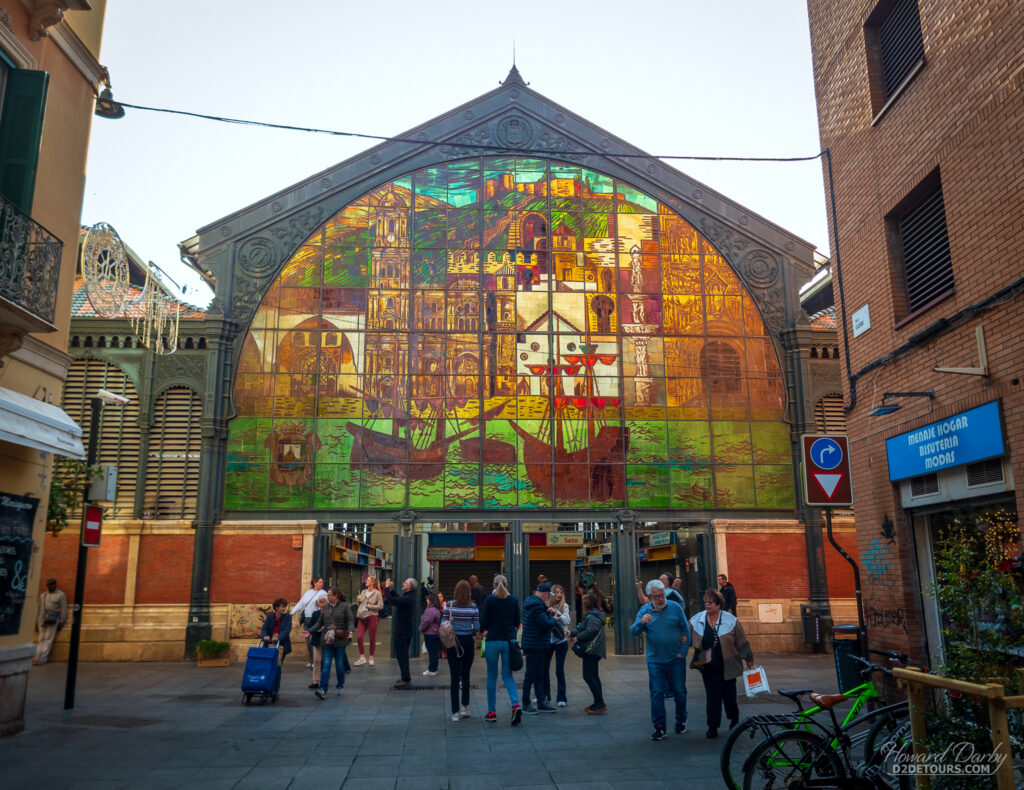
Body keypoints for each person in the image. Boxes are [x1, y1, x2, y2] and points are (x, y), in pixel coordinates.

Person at [630, 579, 690, 741]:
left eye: (662, 595)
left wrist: (682, 652)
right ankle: (659, 727)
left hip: (675, 659)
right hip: (655, 660)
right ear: (649, 597)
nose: (661, 599)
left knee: (680, 692)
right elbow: (633, 631)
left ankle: (681, 720)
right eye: (656, 597)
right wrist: (641, 624)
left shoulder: (675, 608)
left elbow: (686, 629)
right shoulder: (645, 611)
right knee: (656, 693)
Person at [691, 587, 754, 739]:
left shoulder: (731, 620)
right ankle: (712, 727)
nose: (707, 605)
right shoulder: (697, 620)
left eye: (710, 602)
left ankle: (734, 719)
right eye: (705, 602)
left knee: (729, 696)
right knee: (713, 697)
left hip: (728, 664)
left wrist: (749, 659)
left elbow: (741, 640)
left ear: (718, 604)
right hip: (707, 665)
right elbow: (685, 634)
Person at [480, 573, 522, 725]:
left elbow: (484, 621)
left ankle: (491, 712)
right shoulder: (513, 600)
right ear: (507, 585)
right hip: (508, 642)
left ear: (493, 586)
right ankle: (515, 705)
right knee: (507, 676)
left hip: (492, 641)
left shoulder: (490, 600)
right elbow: (517, 621)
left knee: (492, 676)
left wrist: (485, 629)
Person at [305, 587, 354, 700]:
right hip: (327, 639)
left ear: (336, 596)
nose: (328, 597)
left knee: (339, 665)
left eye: (330, 595)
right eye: (328, 595)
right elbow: (319, 623)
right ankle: (323, 689)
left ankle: (340, 684)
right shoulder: (326, 607)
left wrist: (351, 631)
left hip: (340, 640)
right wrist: (309, 631)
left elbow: (351, 621)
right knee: (326, 664)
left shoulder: (344, 607)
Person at [444, 579, 480, 721]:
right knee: (466, 675)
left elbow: (443, 622)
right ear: (468, 593)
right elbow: (477, 626)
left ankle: (455, 712)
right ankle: (465, 707)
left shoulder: (449, 605)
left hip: (453, 642)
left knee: (454, 676)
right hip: (467, 643)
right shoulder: (473, 607)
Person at [521, 581, 558, 714]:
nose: (549, 598)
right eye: (548, 595)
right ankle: (526, 704)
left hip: (535, 644)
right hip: (535, 645)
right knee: (531, 675)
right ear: (545, 593)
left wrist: (547, 612)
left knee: (538, 674)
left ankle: (541, 701)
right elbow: (545, 624)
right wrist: (555, 618)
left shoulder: (532, 602)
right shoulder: (537, 606)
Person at [573, 592, 607, 714]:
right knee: (593, 676)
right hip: (595, 649)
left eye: (583, 601)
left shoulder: (592, 616)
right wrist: (572, 633)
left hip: (592, 649)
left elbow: (590, 631)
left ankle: (600, 703)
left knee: (588, 676)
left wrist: (578, 637)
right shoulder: (594, 614)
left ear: (587, 603)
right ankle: (598, 701)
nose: (581, 603)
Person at [384, 577, 418, 687]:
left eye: (405, 583)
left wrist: (386, 589)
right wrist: (391, 590)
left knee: (402, 656)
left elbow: (393, 601)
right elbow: (398, 599)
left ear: (409, 586)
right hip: (405, 630)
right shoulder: (409, 597)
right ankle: (405, 677)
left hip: (402, 631)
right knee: (402, 655)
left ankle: (406, 679)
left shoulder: (408, 598)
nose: (403, 583)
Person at [543, 583, 571, 708]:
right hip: (547, 641)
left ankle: (561, 698)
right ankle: (544, 695)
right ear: (552, 594)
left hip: (561, 641)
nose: (559, 595)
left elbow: (567, 620)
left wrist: (557, 613)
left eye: (561, 592)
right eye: (557, 592)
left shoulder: (564, 606)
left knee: (559, 670)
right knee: (544, 669)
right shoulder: (544, 605)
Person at [291, 577, 326, 668]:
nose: (321, 584)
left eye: (322, 582)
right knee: (308, 641)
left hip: (317, 619)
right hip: (307, 619)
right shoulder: (308, 593)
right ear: (314, 583)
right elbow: (300, 603)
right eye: (319, 582)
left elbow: (326, 605)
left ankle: (316, 660)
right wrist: (292, 612)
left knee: (314, 640)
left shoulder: (323, 593)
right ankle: (311, 660)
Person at [260, 597, 292, 696]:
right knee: (266, 666)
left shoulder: (287, 617)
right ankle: (265, 685)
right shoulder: (270, 616)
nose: (284, 609)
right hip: (269, 643)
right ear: (276, 607)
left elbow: (287, 630)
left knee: (277, 667)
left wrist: (278, 637)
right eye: (282, 607)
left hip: (281, 645)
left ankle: (275, 689)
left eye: (285, 607)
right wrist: (264, 635)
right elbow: (264, 628)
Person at [34, 578, 67, 665]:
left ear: (56, 584)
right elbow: (39, 608)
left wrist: (62, 620)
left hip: (53, 619)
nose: (52, 586)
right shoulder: (43, 595)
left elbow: (63, 608)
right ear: (47, 585)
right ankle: (37, 658)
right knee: (41, 638)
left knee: (48, 639)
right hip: (42, 619)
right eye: (50, 584)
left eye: (53, 584)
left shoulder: (61, 595)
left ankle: (43, 659)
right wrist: (36, 622)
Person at [354, 576, 383, 666]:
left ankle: (371, 657)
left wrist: (370, 606)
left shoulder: (377, 593)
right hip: (362, 617)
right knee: (359, 637)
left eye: (368, 580)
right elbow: (360, 604)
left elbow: (381, 606)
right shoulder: (363, 592)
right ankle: (362, 657)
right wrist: (358, 601)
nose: (366, 581)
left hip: (372, 617)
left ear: (372, 583)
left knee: (372, 639)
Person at [306, 594, 328, 688]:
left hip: (327, 640)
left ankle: (324, 679)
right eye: (321, 602)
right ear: (318, 604)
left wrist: (324, 629)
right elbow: (310, 626)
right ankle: (315, 681)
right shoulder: (315, 614)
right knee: (316, 660)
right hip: (316, 640)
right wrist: (314, 629)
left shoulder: (330, 613)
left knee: (325, 661)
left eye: (324, 602)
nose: (322, 604)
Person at [419, 592, 442, 676]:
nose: (426, 600)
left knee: (432, 652)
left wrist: (421, 628)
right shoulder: (436, 609)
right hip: (435, 633)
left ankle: (432, 669)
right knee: (434, 652)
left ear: (431, 600)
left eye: (428, 599)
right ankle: (434, 668)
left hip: (430, 633)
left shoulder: (430, 610)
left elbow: (426, 621)